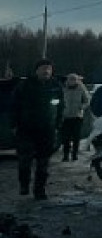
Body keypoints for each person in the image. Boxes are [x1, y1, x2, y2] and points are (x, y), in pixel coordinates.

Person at [11, 59, 63, 200]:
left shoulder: (56, 86)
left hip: (47, 130)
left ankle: (39, 190)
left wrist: (58, 125)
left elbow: (60, 108)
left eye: (49, 69)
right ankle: (24, 184)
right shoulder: (25, 86)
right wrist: (14, 125)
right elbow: (14, 106)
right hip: (26, 129)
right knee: (25, 161)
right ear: (37, 70)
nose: (46, 71)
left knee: (43, 164)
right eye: (43, 69)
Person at [59, 73, 90, 162]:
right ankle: (65, 155)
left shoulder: (81, 88)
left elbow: (87, 100)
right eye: (70, 79)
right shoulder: (63, 89)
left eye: (74, 79)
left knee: (76, 137)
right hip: (66, 116)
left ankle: (74, 154)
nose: (72, 81)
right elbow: (59, 99)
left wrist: (82, 107)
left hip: (77, 116)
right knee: (66, 137)